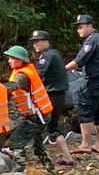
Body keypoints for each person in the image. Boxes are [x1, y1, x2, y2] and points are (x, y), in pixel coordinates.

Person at [3, 46, 56, 175]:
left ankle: (17, 174)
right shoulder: (23, 71)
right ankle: (52, 170)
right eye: (9, 57)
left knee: (16, 142)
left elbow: (9, 88)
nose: (10, 60)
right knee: (38, 145)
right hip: (40, 113)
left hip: (35, 116)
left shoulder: (22, 76)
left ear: (21, 60)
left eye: (13, 58)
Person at [65, 14, 99, 153]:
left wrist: (63, 70)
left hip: (94, 81)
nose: (78, 30)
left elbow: (80, 59)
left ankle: (85, 144)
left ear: (90, 26)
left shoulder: (92, 40)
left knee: (85, 109)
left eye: (81, 27)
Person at [30, 30, 75, 167]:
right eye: (33, 42)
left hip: (51, 96)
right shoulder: (54, 54)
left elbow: (37, 74)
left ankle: (14, 150)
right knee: (53, 127)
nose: (35, 44)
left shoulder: (47, 57)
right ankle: (67, 156)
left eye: (37, 41)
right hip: (58, 95)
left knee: (32, 122)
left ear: (46, 41)